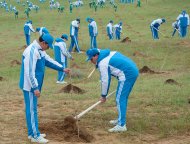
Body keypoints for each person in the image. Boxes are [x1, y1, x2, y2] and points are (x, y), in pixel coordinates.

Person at [19, 34, 70, 143]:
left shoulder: (40, 50)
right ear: (43, 43)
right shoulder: (31, 51)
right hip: (30, 86)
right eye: (48, 46)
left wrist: (62, 68)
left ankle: (32, 132)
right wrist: (35, 88)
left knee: (33, 109)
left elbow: (48, 61)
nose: (48, 48)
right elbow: (29, 73)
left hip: (33, 85)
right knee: (32, 110)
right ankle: (35, 136)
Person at [86, 48, 139, 132]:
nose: (91, 61)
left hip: (127, 74)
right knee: (121, 97)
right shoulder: (106, 53)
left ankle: (121, 125)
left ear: (96, 56)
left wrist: (103, 95)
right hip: (132, 70)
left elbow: (105, 80)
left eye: (91, 59)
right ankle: (120, 120)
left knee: (120, 99)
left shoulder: (103, 63)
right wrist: (97, 64)